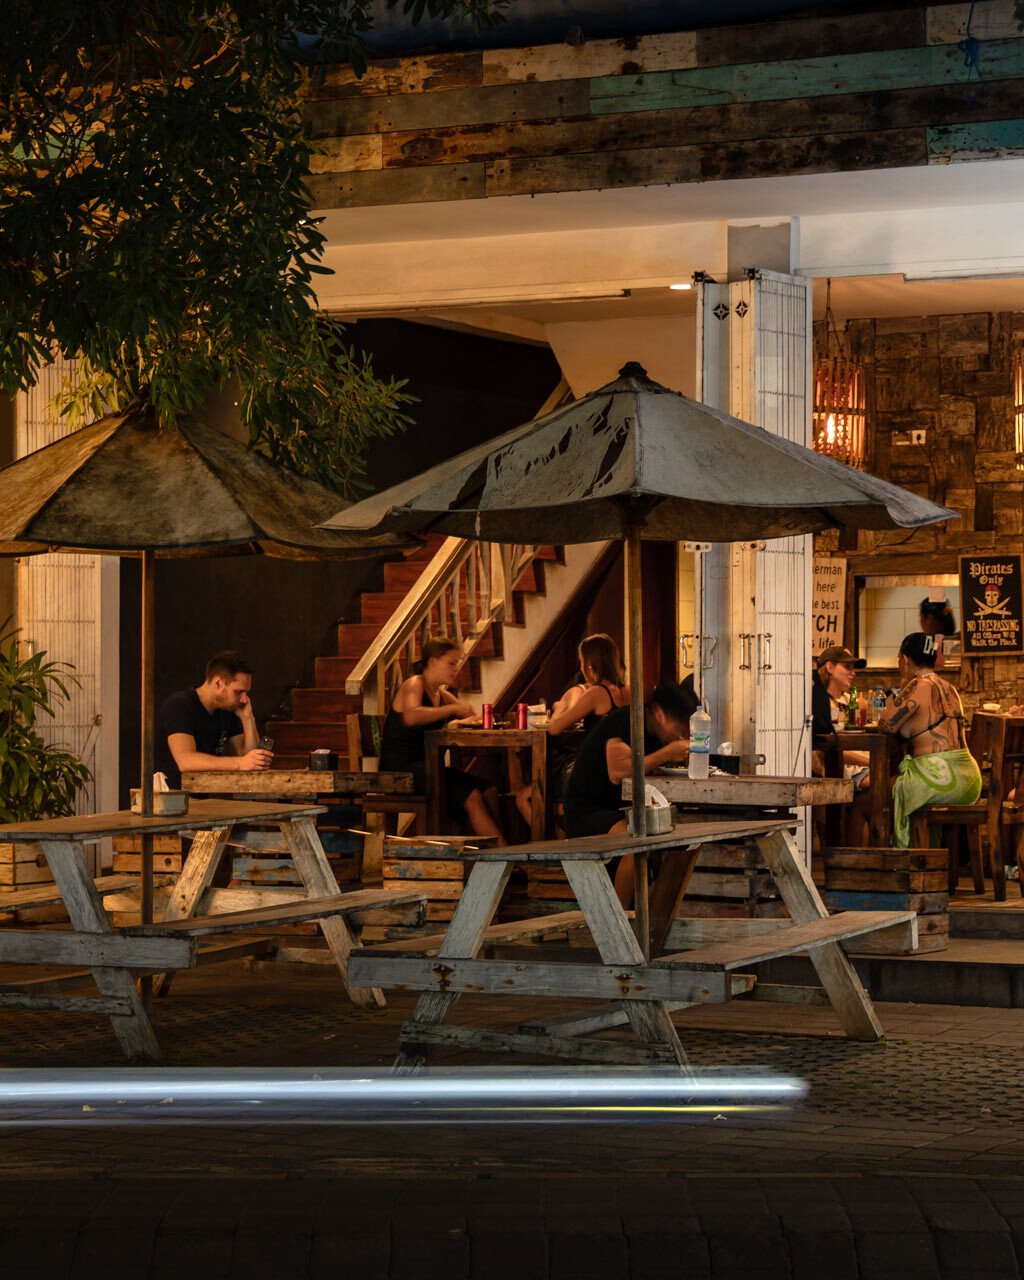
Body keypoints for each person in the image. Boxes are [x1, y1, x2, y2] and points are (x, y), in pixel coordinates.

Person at [563, 681, 696, 905]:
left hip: (621, 812)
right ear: (659, 714)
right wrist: (667, 753)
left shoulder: (656, 737)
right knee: (637, 843)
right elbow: (618, 772)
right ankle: (618, 918)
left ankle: (657, 913)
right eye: (679, 727)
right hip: (588, 811)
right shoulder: (626, 721)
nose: (681, 734)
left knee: (676, 840)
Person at [378, 637, 507, 845]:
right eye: (451, 663)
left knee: (489, 790)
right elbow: (411, 716)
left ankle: (502, 848)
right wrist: (452, 709)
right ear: (432, 661)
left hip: (427, 767)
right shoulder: (415, 684)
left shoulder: (440, 694)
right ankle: (503, 855)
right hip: (402, 769)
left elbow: (468, 713)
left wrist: (467, 719)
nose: (456, 669)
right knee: (472, 796)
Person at [878, 631, 981, 848]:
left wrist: (903, 686)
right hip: (970, 779)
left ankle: (892, 860)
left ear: (905, 660)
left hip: (941, 780)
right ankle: (926, 854)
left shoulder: (917, 685)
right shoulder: (950, 687)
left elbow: (885, 725)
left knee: (875, 795)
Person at [515, 633, 631, 826]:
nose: (580, 668)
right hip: (620, 770)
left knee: (527, 794)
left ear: (590, 665)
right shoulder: (629, 691)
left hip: (595, 773)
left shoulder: (596, 693)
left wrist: (560, 707)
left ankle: (554, 840)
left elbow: (554, 728)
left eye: (582, 662)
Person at [154, 651, 272, 790]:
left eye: (246, 693)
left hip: (204, 795)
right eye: (238, 692)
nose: (244, 699)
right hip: (171, 796)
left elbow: (249, 760)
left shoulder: (227, 709)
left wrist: (248, 719)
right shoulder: (180, 705)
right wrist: (239, 763)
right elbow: (185, 761)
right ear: (218, 683)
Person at [919, 597, 957, 669]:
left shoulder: (931, 642)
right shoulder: (955, 640)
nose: (920, 623)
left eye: (921, 618)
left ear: (929, 618)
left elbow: (925, 668)